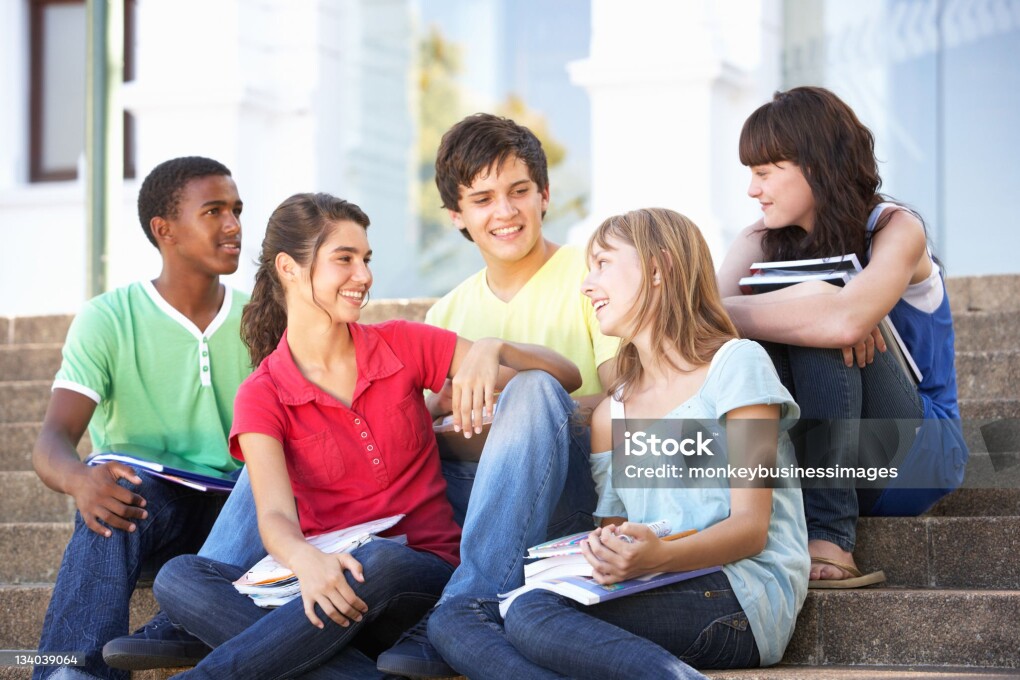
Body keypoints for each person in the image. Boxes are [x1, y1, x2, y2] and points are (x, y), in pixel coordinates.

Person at [150, 192, 582, 679]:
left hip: (415, 576)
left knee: (381, 560)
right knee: (180, 577)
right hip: (321, 593)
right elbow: (270, 513)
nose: (364, 276)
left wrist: (494, 346)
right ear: (289, 269)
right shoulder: (262, 393)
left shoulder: (405, 342)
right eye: (345, 260)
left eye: (366, 259)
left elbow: (562, 380)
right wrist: (306, 561)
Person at [427, 207, 809, 678]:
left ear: (657, 269)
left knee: (532, 616)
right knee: (457, 621)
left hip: (742, 594)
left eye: (603, 263)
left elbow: (751, 528)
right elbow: (616, 531)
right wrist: (609, 551)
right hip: (656, 580)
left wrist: (661, 555)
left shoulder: (737, 366)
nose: (587, 285)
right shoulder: (614, 412)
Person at [376, 113, 619, 678]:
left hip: (572, 494)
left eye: (518, 192)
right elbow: (439, 432)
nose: (504, 212)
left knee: (533, 390)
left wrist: (512, 403)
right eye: (483, 199)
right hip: (472, 498)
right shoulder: (446, 312)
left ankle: (469, 605)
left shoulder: (593, 274)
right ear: (458, 216)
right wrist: (448, 415)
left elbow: (630, 407)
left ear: (544, 195)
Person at [716, 86, 967, 587]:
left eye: (764, 173)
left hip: (916, 452)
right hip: (820, 449)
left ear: (815, 166)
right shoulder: (757, 241)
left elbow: (846, 325)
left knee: (824, 322)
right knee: (775, 330)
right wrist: (809, 298)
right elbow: (702, 324)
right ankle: (744, 516)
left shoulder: (896, 229)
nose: (751, 190)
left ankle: (830, 538)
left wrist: (819, 304)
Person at [32, 156, 252, 680]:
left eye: (238, 210)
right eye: (215, 211)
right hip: (150, 503)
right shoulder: (109, 319)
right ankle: (73, 671)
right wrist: (80, 482)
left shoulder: (262, 317)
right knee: (112, 497)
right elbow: (52, 441)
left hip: (241, 509)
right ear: (165, 229)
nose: (234, 226)